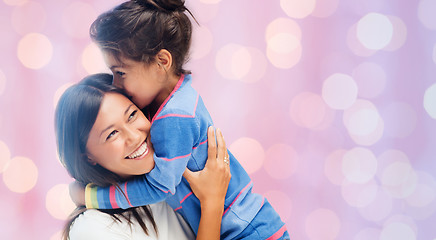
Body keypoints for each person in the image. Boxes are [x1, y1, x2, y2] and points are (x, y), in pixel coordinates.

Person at [77, 0, 290, 239]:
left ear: (162, 62)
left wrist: (92, 196)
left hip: (248, 231)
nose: (116, 84)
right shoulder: (174, 99)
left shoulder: (174, 116)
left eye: (121, 73)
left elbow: (159, 186)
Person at [55, 73, 231, 239]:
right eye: (112, 134)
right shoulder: (92, 228)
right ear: (87, 157)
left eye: (132, 115)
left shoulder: (172, 172)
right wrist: (212, 202)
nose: (134, 136)